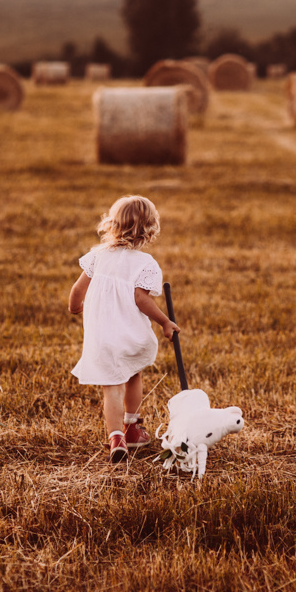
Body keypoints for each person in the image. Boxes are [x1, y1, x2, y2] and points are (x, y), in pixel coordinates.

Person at [68, 196, 179, 463]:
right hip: (129, 335)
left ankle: (116, 436)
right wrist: (165, 322)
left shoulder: (98, 256)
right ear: (149, 230)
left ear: (112, 224)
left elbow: (76, 291)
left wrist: (75, 307)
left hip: (101, 337)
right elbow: (142, 299)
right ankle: (132, 427)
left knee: (111, 387)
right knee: (133, 374)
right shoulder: (145, 262)